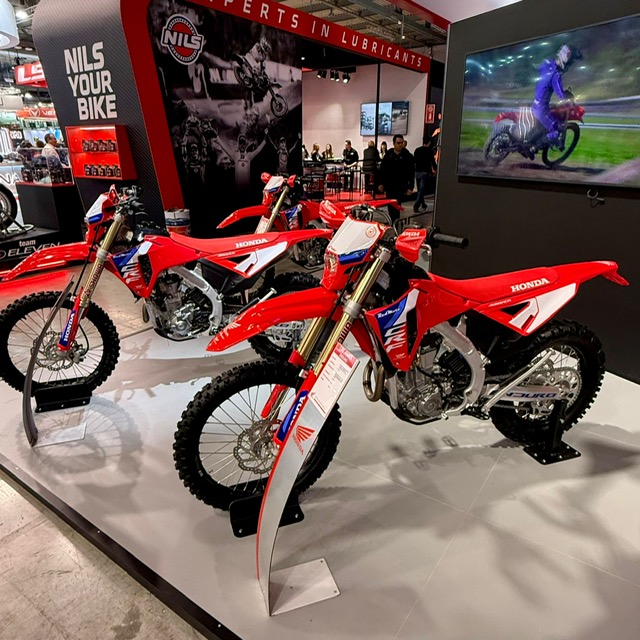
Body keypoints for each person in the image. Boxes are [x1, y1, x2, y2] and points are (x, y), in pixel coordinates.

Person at [532, 44, 581, 151]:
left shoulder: (546, 63)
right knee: (555, 130)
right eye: (569, 63)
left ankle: (535, 139)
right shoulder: (556, 75)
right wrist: (569, 100)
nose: (568, 66)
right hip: (541, 109)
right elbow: (560, 95)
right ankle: (534, 147)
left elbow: (539, 70)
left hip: (535, 103)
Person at [378, 134, 414, 219]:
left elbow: (411, 172)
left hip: (401, 186)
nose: (400, 145)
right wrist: (380, 183)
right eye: (398, 143)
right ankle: (392, 220)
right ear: (394, 143)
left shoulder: (407, 156)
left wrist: (410, 187)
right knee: (390, 205)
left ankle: (395, 221)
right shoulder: (388, 155)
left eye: (402, 143)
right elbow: (382, 170)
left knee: (397, 205)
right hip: (389, 185)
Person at [413, 136, 438, 213]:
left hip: (417, 172)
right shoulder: (429, 151)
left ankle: (423, 204)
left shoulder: (417, 150)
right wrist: (436, 169)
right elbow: (432, 162)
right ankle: (416, 206)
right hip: (425, 172)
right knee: (422, 190)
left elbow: (414, 161)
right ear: (429, 142)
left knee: (420, 190)